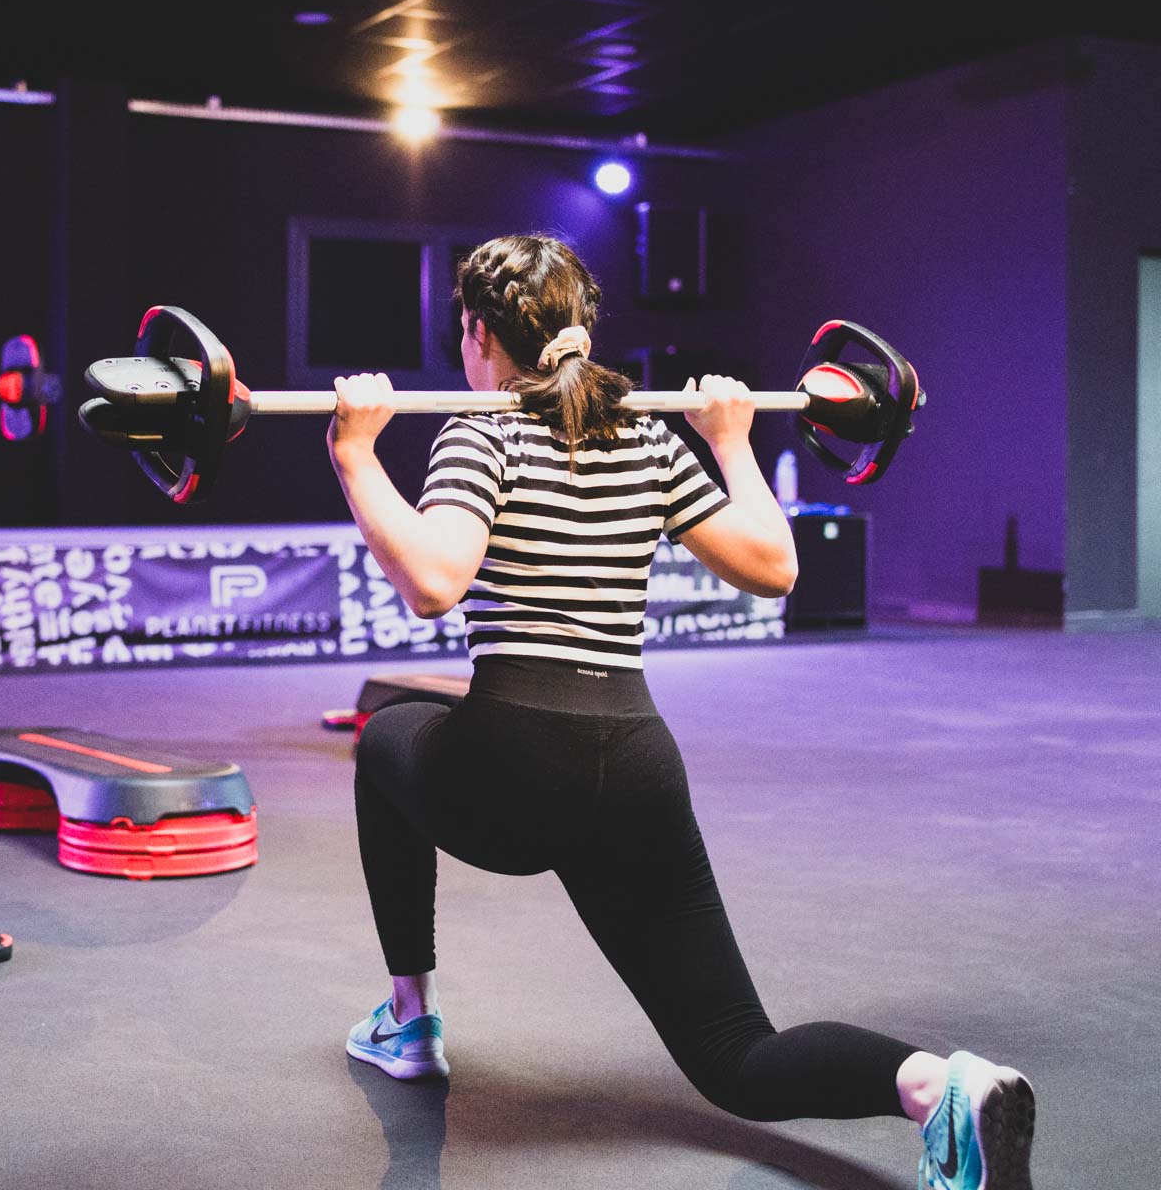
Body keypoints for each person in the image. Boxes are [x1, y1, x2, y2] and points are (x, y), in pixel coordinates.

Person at [326, 234, 1035, 1190]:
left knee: (387, 743)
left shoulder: (480, 430)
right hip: (634, 763)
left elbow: (432, 583)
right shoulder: (644, 433)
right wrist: (733, 445)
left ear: (478, 333)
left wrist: (355, 454)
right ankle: (942, 1086)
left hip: (507, 768)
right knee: (737, 1053)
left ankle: (409, 1022)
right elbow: (775, 569)